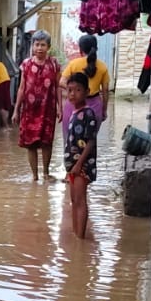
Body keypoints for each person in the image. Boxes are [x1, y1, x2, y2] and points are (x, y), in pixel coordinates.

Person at [13, 30, 61, 182]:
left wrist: (60, 107)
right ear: (32, 46)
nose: (40, 48)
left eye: (43, 45)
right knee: (30, 144)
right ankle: (34, 176)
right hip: (30, 111)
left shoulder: (54, 64)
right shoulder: (26, 65)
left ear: (48, 47)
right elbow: (21, 88)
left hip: (48, 109)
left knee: (47, 142)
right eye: (37, 44)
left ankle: (46, 173)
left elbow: (58, 86)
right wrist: (16, 110)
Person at [63, 71, 100, 240]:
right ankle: (76, 234)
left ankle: (80, 237)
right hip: (72, 165)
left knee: (80, 200)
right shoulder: (73, 113)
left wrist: (79, 164)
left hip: (82, 165)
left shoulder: (88, 114)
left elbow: (91, 141)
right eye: (70, 90)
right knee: (74, 201)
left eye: (78, 90)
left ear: (87, 91)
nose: (73, 94)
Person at [60, 34, 111, 139]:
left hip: (73, 103)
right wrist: (104, 110)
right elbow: (105, 91)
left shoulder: (73, 64)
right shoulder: (102, 66)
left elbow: (61, 82)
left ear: (80, 49)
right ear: (96, 48)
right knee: (90, 140)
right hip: (95, 106)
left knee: (69, 139)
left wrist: (74, 91)